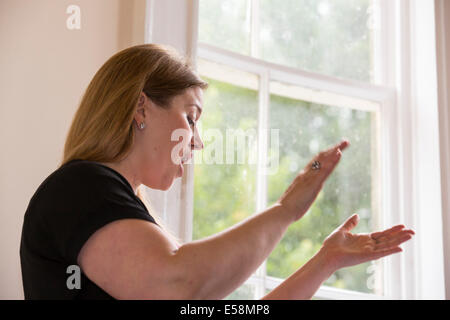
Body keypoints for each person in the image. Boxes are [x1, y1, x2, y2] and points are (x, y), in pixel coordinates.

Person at [20, 44, 415, 300]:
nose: (197, 141)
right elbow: (179, 283)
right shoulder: (79, 188)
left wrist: (325, 261)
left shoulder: (125, 215)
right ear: (140, 109)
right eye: (191, 118)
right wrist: (286, 210)